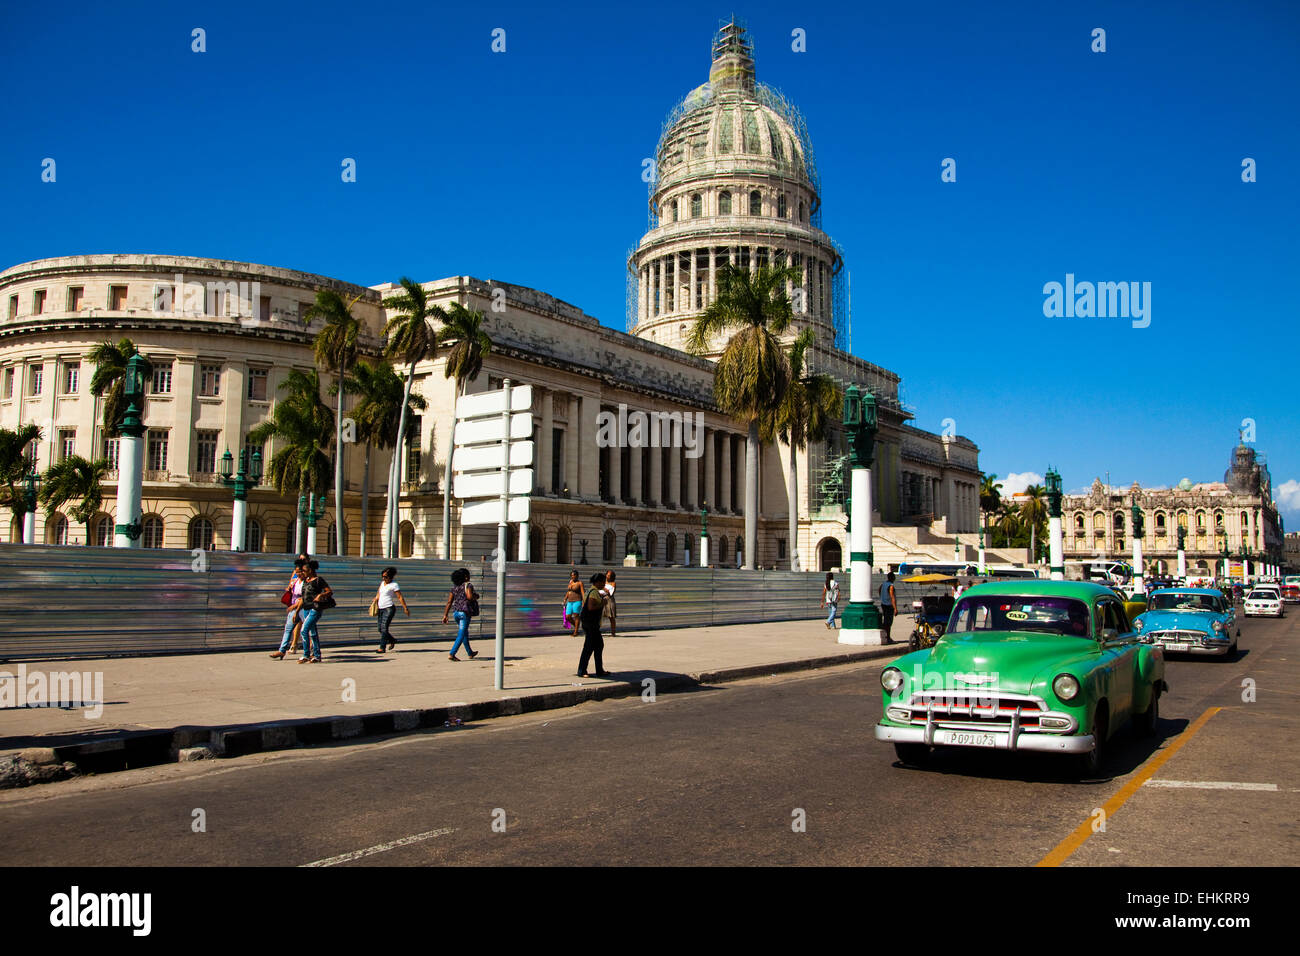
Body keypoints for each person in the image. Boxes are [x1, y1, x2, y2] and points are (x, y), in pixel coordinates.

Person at [270, 558, 307, 660]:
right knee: (288, 629)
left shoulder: (307, 582)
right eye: (296, 572)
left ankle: (310, 652)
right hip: (294, 608)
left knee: (307, 630)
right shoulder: (295, 581)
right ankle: (282, 651)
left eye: (299, 572)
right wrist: (289, 588)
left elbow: (304, 598)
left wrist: (294, 607)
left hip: (304, 609)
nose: (298, 574)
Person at [298, 560, 332, 663]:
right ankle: (317, 655)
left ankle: (306, 654)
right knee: (312, 632)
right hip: (306, 609)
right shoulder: (306, 581)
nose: (303, 572)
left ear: (310, 570)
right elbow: (303, 598)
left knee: (304, 630)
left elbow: (329, 591)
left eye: (304, 570)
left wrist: (321, 595)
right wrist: (297, 612)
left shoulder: (318, 580)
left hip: (315, 609)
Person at [577, 572, 610, 678]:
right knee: (589, 647)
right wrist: (602, 603)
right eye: (603, 582)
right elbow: (591, 607)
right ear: (598, 582)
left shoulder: (589, 590)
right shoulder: (594, 592)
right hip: (591, 624)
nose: (604, 584)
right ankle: (582, 671)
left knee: (598, 646)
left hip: (589, 623)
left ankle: (599, 670)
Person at [442, 567, 479, 662]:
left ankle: (470, 652)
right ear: (466, 577)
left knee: (464, 633)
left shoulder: (454, 587)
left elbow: (449, 602)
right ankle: (452, 653)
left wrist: (445, 615)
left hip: (456, 613)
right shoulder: (468, 585)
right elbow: (470, 597)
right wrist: (476, 596)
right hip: (464, 613)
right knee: (461, 634)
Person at [373, 566, 409, 653]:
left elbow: (400, 597)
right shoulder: (382, 583)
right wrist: (375, 599)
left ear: (391, 577)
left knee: (384, 628)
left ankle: (382, 647)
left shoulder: (394, 585)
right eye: (382, 576)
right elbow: (379, 593)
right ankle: (392, 640)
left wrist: (405, 608)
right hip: (381, 608)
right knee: (380, 629)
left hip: (389, 608)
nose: (383, 578)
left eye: (386, 577)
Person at [563, 570, 585, 635]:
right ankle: (576, 627)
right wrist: (565, 599)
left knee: (576, 616)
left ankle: (575, 632)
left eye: (574, 575)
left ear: (577, 576)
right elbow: (568, 591)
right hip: (570, 601)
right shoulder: (570, 582)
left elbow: (583, 593)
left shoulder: (580, 583)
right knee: (568, 617)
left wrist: (584, 601)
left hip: (577, 601)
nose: (573, 576)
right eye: (572, 575)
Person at [880, 571, 897, 643]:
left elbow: (879, 590)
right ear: (892, 578)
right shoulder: (891, 586)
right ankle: (888, 638)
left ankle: (886, 636)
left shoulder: (883, 584)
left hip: (883, 604)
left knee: (886, 621)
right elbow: (892, 597)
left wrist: (883, 598)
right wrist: (895, 608)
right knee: (888, 623)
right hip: (889, 605)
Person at [602, 569, 617, 638]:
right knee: (599, 616)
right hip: (602, 600)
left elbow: (611, 593)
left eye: (609, 575)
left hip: (609, 600)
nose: (608, 576)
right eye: (607, 575)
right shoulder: (603, 582)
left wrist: (604, 588)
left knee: (611, 617)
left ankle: (613, 633)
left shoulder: (613, 583)